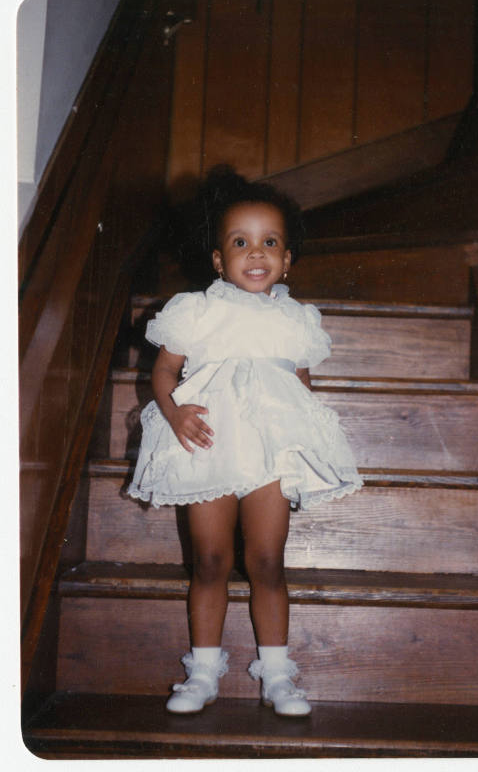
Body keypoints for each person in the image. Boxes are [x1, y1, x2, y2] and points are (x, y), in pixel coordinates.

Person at [128, 167, 362, 717]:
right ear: (218, 260)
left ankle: (277, 675)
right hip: (207, 444)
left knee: (266, 560)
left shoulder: (295, 320)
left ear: (286, 260)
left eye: (270, 242)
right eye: (240, 242)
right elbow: (164, 374)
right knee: (209, 559)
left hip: (269, 453)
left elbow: (299, 388)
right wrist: (174, 412)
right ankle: (204, 672)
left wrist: (309, 451)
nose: (255, 253)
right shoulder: (196, 311)